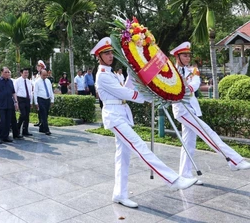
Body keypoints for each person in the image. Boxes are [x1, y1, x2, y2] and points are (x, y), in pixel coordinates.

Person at [92, 37, 197, 208]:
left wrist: (135, 72)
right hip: (114, 115)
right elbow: (124, 93)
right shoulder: (102, 76)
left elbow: (127, 87)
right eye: (106, 53)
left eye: (111, 52)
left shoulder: (110, 72)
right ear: (99, 56)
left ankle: (119, 194)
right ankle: (172, 179)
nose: (111, 56)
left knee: (123, 156)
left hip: (121, 114)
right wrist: (146, 97)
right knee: (139, 146)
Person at [170, 42, 250, 182]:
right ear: (177, 56)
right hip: (182, 110)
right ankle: (234, 160)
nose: (188, 58)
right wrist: (184, 86)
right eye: (184, 55)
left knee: (189, 143)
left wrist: (185, 86)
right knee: (208, 133)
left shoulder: (191, 71)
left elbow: (194, 85)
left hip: (192, 109)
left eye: (189, 55)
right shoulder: (171, 72)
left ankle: (185, 174)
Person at [0, 66, 19, 144]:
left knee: (8, 121)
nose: (7, 74)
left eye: (8, 72)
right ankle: (0, 137)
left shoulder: (10, 81)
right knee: (3, 121)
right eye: (5, 72)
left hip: (9, 104)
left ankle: (6, 136)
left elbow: (13, 92)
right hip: (1, 104)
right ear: (1, 73)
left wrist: (16, 102)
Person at [34, 69, 54, 135]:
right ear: (40, 74)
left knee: (46, 114)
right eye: (44, 75)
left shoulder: (48, 81)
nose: (45, 76)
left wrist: (52, 100)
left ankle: (41, 128)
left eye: (46, 75)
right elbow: (35, 93)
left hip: (47, 99)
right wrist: (36, 103)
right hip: (41, 99)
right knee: (43, 114)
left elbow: (51, 91)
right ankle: (46, 129)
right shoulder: (37, 82)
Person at [15, 67, 33, 136]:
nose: (26, 74)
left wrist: (31, 102)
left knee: (27, 116)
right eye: (25, 73)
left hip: (27, 100)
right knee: (23, 114)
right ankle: (17, 128)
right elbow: (15, 92)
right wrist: (15, 102)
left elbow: (30, 92)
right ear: (21, 73)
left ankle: (25, 131)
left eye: (27, 73)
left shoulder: (29, 81)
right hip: (20, 99)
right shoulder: (17, 81)